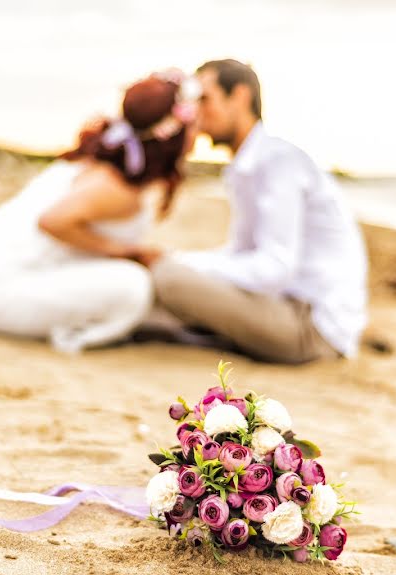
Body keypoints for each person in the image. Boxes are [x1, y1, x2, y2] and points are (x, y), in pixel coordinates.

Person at [0, 70, 199, 352]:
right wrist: (125, 252)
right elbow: (52, 221)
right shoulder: (115, 185)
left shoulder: (111, 169)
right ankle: (86, 335)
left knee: (137, 283)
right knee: (132, 286)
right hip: (0, 292)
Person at [150, 59, 368, 363]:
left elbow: (274, 268)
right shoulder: (246, 167)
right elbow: (240, 253)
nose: (196, 112)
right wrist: (178, 259)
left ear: (239, 97)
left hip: (311, 325)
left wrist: (175, 263)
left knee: (168, 279)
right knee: (164, 279)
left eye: (205, 99)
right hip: (281, 305)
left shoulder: (277, 162)